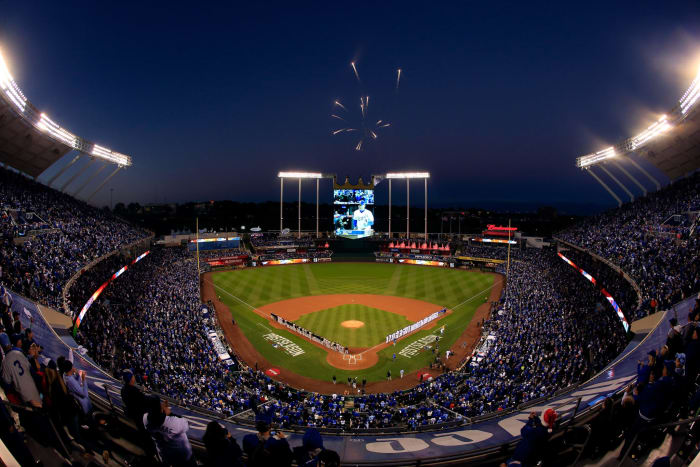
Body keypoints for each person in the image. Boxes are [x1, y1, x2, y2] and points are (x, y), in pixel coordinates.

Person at [143, 396, 195, 466]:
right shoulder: (173, 423)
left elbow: (154, 415)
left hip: (165, 456)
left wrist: (161, 410)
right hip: (184, 457)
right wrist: (169, 413)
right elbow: (186, 424)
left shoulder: (145, 419)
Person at [0, 332, 42, 407]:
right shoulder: (19, 353)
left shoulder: (4, 363)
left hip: (24, 399)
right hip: (34, 391)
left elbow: (7, 385)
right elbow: (32, 371)